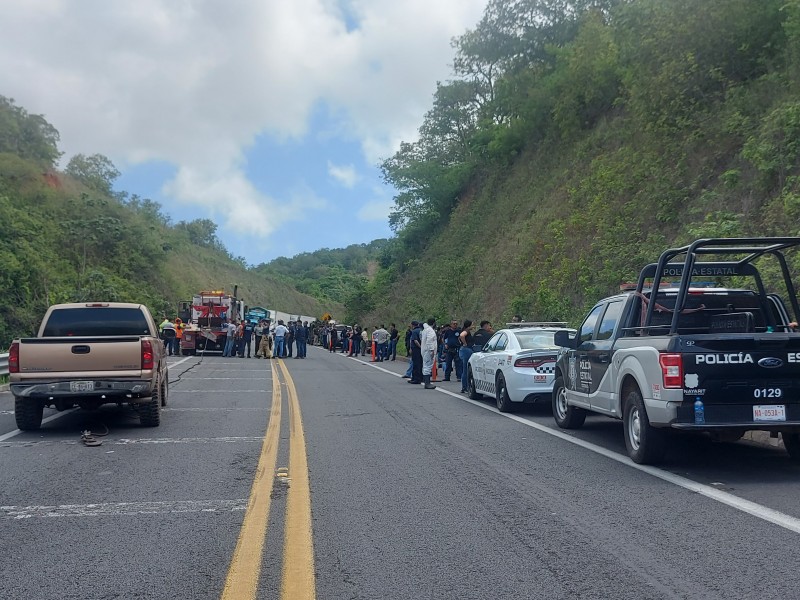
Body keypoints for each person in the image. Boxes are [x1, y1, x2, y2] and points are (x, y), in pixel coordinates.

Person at [420, 318, 438, 389]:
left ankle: (427, 382)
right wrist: (432, 350)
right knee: (427, 366)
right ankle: (427, 383)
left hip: (425, 350)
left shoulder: (425, 330)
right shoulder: (430, 331)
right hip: (428, 351)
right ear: (434, 323)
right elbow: (430, 341)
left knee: (426, 366)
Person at [458, 320, 475, 393]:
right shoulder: (466, 331)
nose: (473, 326)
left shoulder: (466, 330)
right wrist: (465, 343)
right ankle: (465, 387)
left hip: (464, 350)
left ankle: (465, 386)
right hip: (466, 350)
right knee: (466, 369)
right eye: (472, 325)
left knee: (465, 369)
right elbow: (462, 335)